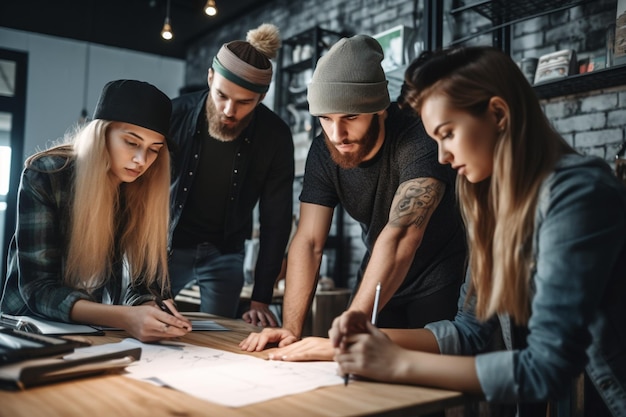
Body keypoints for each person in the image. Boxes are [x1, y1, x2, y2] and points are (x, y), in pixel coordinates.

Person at [330, 46, 626, 417]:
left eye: (447, 134)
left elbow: (546, 368)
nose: (441, 157)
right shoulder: (496, 209)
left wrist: (396, 364)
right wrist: (370, 340)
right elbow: (469, 332)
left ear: (498, 114)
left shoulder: (579, 194)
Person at [240, 34, 467, 357]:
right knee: (361, 374)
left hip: (439, 279)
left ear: (379, 110)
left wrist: (354, 319)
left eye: (350, 117)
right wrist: (291, 328)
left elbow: (402, 235)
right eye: (325, 119)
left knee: (431, 393)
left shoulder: (418, 138)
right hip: (377, 278)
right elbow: (308, 242)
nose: (337, 134)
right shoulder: (324, 149)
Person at [1, 79, 192, 342]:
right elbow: (38, 290)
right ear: (101, 135)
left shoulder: (139, 188)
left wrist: (148, 307)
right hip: (27, 327)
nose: (141, 161)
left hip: (90, 331)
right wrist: (125, 317)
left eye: (153, 150)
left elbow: (144, 283)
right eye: (131, 142)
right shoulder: (46, 175)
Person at [167, 23, 294, 324]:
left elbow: (275, 222)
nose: (228, 110)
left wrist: (261, 298)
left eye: (244, 102)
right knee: (146, 326)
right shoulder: (173, 114)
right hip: (165, 249)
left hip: (225, 255)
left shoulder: (275, 136)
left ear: (260, 98)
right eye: (222, 95)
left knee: (218, 337)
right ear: (210, 77)